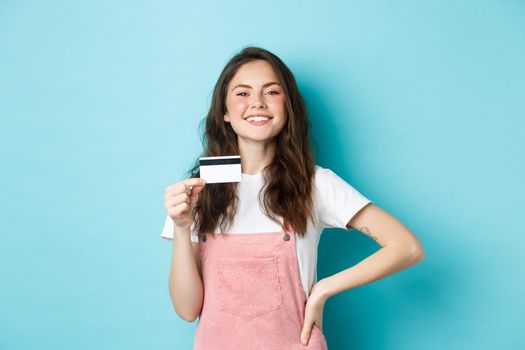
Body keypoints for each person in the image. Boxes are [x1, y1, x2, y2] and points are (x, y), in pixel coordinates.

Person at [161, 47, 425, 349]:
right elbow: (187, 309)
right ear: (224, 112)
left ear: (288, 107)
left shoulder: (315, 184)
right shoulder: (195, 192)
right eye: (242, 94)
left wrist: (324, 288)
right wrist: (182, 226)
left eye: (271, 92)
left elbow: (407, 247)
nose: (257, 103)